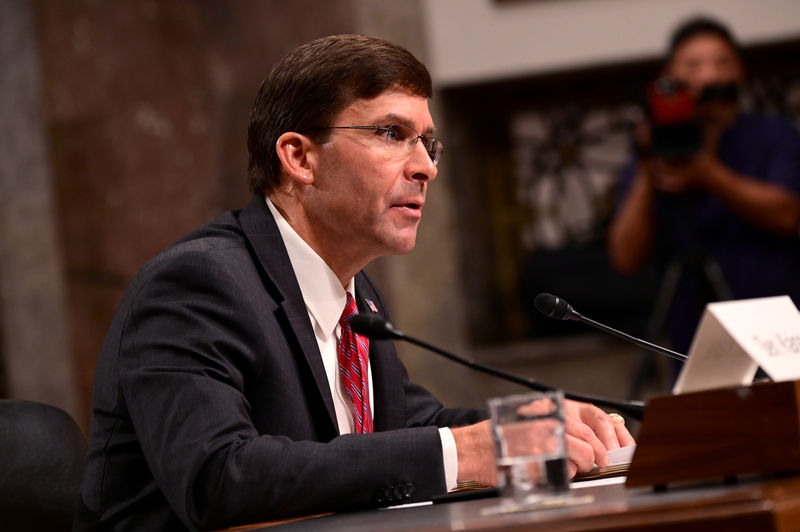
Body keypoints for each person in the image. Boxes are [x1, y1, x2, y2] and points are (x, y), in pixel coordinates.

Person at [74, 34, 634, 531]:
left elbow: (408, 426)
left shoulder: (355, 293)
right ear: (299, 157)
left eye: (428, 143)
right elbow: (218, 476)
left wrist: (532, 427)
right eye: (393, 134)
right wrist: (465, 451)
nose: (426, 168)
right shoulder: (198, 284)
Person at [608, 17, 800, 356]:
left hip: (778, 329)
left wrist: (708, 174)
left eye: (721, 62)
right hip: (694, 340)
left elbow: (788, 215)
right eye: (693, 65)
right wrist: (647, 162)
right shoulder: (658, 150)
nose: (709, 76)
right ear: (670, 77)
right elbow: (625, 257)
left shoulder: (774, 136)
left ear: (740, 71)